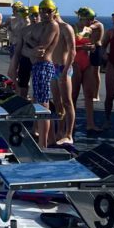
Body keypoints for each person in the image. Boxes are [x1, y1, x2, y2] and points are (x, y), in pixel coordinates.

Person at [21, 0, 60, 148]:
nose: (45, 14)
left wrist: (28, 43)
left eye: (48, 11)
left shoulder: (52, 25)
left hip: (44, 66)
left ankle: (43, 144)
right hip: (37, 67)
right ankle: (47, 140)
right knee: (39, 104)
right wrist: (29, 48)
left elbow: (40, 49)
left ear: (54, 12)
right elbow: (25, 46)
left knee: (43, 107)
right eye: (42, 11)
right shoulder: (39, 26)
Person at [72, 7, 103, 136]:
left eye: (92, 19)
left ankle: (90, 124)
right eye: (89, 19)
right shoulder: (72, 28)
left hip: (87, 63)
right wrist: (81, 47)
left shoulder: (92, 29)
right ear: (81, 18)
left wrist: (92, 47)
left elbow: (96, 43)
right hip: (75, 63)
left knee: (89, 95)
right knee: (73, 96)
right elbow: (67, 47)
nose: (91, 21)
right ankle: (71, 124)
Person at [50, 9, 76, 145]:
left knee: (67, 101)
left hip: (63, 68)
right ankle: (60, 131)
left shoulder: (66, 28)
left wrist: (65, 72)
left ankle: (69, 134)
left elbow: (72, 51)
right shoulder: (51, 27)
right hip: (53, 67)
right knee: (57, 102)